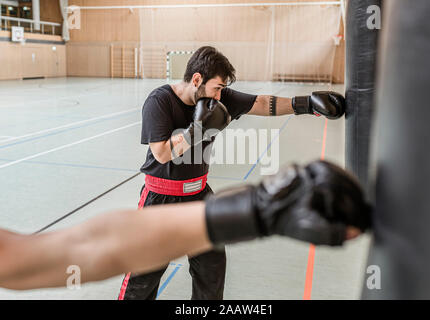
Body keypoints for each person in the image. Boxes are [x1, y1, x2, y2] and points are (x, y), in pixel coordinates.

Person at [122, 46, 347, 300]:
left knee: (212, 268)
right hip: (160, 199)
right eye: (217, 87)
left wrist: (306, 104)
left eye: (222, 89)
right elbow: (162, 153)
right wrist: (195, 131)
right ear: (197, 80)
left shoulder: (216, 98)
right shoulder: (159, 101)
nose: (220, 96)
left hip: (199, 196)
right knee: (144, 277)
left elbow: (261, 103)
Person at [0, 160, 371, 291]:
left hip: (194, 197)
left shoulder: (220, 96)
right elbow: (73, 254)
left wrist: (257, 210)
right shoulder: (161, 102)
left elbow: (76, 251)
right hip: (163, 194)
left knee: (209, 273)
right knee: (141, 282)